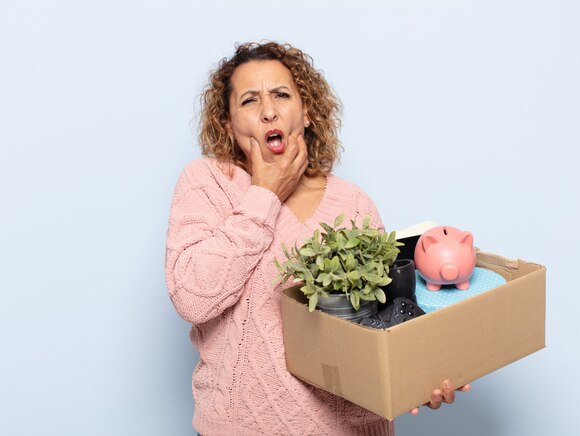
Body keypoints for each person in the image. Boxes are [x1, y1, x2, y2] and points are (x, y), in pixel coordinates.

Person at [165, 41, 470, 436]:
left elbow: (381, 323)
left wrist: (419, 374)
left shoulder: (353, 203)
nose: (269, 110)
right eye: (249, 101)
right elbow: (192, 297)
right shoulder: (206, 183)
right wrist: (266, 195)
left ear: (306, 112)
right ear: (228, 124)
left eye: (281, 94)